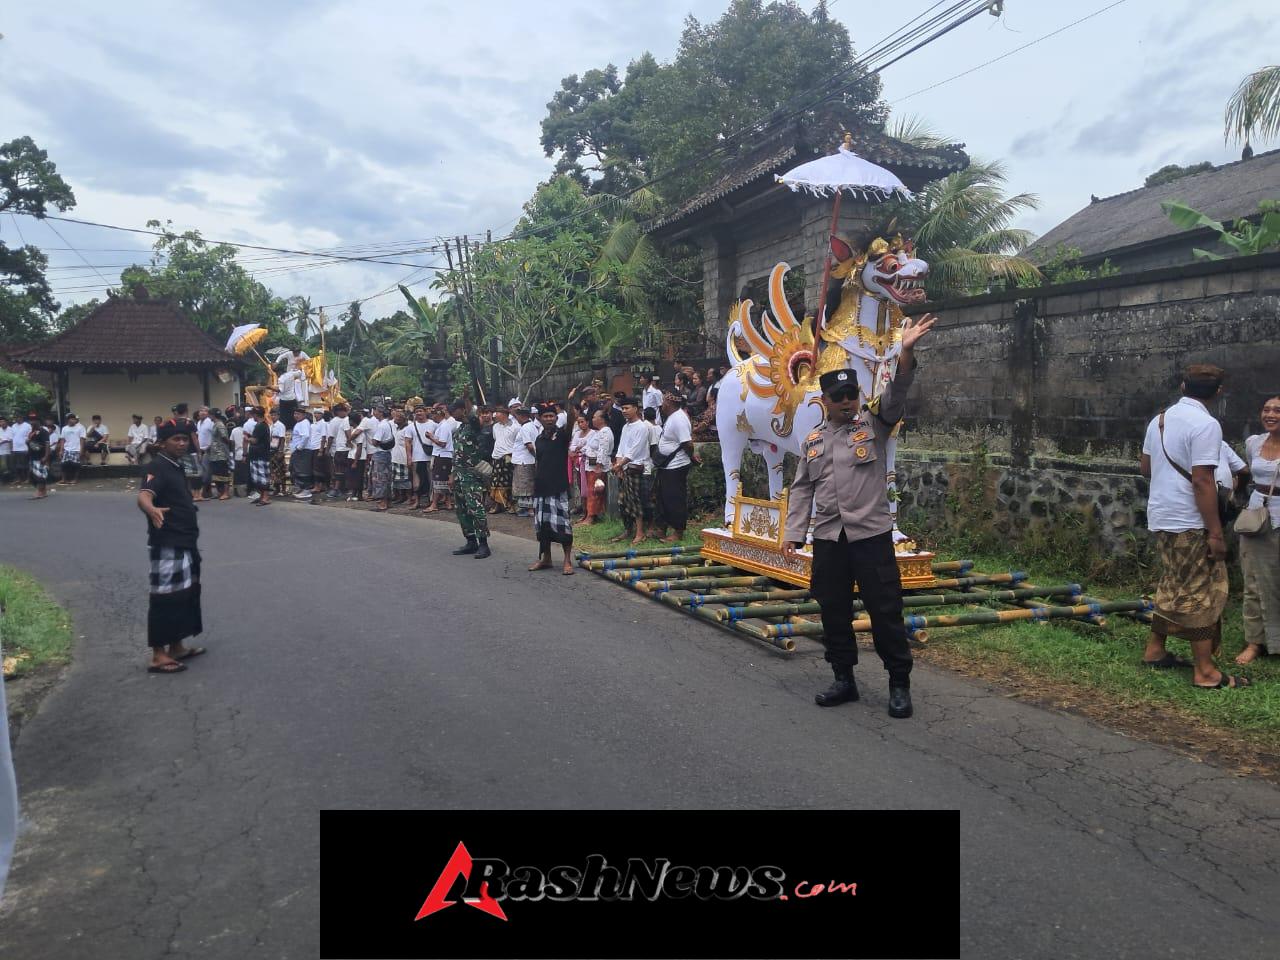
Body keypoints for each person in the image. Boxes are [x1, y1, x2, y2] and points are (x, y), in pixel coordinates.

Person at [783, 314, 935, 718]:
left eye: (852, 394)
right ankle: (843, 679)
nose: (848, 401)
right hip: (830, 540)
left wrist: (905, 353)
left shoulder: (875, 424)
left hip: (871, 537)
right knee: (833, 611)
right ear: (826, 401)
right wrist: (794, 532)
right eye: (840, 397)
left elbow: (897, 391)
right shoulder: (813, 441)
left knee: (885, 612)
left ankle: (898, 683)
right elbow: (802, 489)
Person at [1139, 364, 1246, 688]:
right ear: (1218, 392)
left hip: (1162, 516)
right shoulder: (1206, 424)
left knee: (1173, 582)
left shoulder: (1159, 421)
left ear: (1183, 387)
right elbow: (1202, 481)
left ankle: (1155, 649)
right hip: (1190, 521)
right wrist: (1215, 533)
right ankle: (1205, 671)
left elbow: (1146, 468)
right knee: (1202, 590)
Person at [137, 422, 206, 674]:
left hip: (185, 540)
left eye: (184, 439)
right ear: (162, 442)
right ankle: (158, 655)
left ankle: (176, 646)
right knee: (165, 596)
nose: (182, 443)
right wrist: (151, 509)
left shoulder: (176, 465)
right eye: (176, 439)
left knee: (185, 593)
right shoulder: (156, 467)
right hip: (167, 541)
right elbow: (144, 495)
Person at [1236, 394, 1280, 665]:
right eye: (1266, 409)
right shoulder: (1254, 443)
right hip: (1257, 518)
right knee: (1253, 581)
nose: (1270, 415)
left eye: (1277, 410)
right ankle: (1255, 641)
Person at [528, 403, 575, 575]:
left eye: (552, 416)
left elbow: (571, 423)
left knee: (563, 525)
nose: (549, 419)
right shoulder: (539, 439)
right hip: (541, 487)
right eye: (545, 416)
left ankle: (567, 560)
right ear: (539, 418)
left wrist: (571, 402)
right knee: (543, 526)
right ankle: (546, 559)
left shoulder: (562, 435)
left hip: (558, 487)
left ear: (556, 418)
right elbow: (539, 462)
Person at [449, 399, 492, 559]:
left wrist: (467, 398)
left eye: (454, 411)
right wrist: (452, 475)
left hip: (472, 474)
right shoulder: (459, 429)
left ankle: (483, 544)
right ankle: (471, 541)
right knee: (461, 509)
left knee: (476, 508)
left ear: (463, 410)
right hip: (459, 474)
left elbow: (473, 417)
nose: (452, 415)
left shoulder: (473, 426)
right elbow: (456, 454)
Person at [654, 391, 698, 542]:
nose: (662, 405)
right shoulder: (672, 417)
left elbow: (687, 443)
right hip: (667, 465)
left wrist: (691, 456)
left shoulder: (679, 418)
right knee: (663, 498)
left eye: (663, 401)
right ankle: (662, 529)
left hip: (676, 465)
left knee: (675, 499)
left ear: (669, 403)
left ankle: (678, 532)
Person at [612, 397, 652, 544]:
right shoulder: (625, 427)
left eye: (627, 408)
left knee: (635, 500)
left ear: (636, 408)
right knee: (623, 501)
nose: (624, 411)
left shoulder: (642, 427)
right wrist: (619, 465)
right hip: (624, 468)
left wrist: (620, 465)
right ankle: (628, 530)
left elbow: (634, 451)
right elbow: (621, 448)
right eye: (622, 408)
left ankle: (640, 532)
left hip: (637, 468)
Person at [579, 408, 613, 526]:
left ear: (602, 419)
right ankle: (589, 514)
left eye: (594, 417)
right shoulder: (599, 432)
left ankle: (591, 516)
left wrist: (599, 465)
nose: (592, 419)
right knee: (590, 490)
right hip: (591, 464)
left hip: (597, 466)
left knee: (594, 491)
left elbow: (603, 450)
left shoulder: (605, 432)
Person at [427, 405, 457, 512]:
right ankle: (447, 502)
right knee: (444, 480)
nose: (432, 417)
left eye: (433, 415)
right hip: (443, 455)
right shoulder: (442, 425)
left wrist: (431, 437)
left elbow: (443, 443)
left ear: (438, 415)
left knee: (438, 480)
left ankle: (434, 504)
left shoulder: (444, 426)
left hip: (442, 455)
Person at [488, 405, 518, 514]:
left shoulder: (515, 427)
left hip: (508, 456)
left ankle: (510, 505)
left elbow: (517, 442)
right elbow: (496, 438)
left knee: (508, 481)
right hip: (496, 456)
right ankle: (497, 505)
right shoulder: (495, 427)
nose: (495, 415)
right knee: (495, 482)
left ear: (505, 414)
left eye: (498, 413)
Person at [365, 406, 395, 511]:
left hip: (380, 453)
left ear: (380, 413)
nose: (374, 413)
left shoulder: (381, 426)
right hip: (387, 453)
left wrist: (372, 440)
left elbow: (375, 441)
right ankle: (387, 501)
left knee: (379, 478)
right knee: (386, 477)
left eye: (375, 411)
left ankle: (382, 503)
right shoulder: (388, 424)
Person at [511, 407, 539, 517]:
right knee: (525, 484)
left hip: (525, 460)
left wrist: (537, 458)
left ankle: (529, 509)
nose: (516, 418)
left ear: (522, 416)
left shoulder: (525, 428)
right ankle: (526, 508)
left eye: (517, 416)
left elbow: (529, 446)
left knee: (525, 485)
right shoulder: (531, 426)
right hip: (524, 460)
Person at [406, 405, 435, 509]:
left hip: (430, 457)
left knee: (430, 480)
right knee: (416, 481)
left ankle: (431, 501)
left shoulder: (433, 424)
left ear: (425, 412)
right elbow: (408, 442)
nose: (419, 413)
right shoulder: (411, 426)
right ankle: (417, 501)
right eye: (417, 411)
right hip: (417, 457)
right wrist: (409, 457)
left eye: (421, 411)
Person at [247, 406, 274, 506]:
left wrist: (247, 438)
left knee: (262, 476)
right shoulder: (263, 425)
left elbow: (255, 440)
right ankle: (262, 496)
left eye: (253, 414)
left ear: (256, 415)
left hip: (260, 455)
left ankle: (265, 497)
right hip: (258, 454)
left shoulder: (260, 426)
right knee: (258, 477)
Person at [569, 413, 594, 516]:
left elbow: (589, 447)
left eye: (582, 422)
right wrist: (577, 448)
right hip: (577, 463)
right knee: (579, 485)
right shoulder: (577, 434)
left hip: (587, 462)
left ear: (587, 422)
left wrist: (578, 449)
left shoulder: (593, 433)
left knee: (587, 485)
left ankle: (589, 510)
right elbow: (572, 447)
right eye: (578, 422)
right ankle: (582, 508)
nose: (580, 424)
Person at [326, 403, 350, 499]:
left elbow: (330, 437)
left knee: (337, 469)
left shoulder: (334, 421)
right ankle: (343, 488)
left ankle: (337, 488)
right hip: (344, 448)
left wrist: (327, 449)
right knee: (344, 469)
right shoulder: (348, 420)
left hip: (338, 448)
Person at [207, 409, 232, 500]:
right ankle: (220, 492)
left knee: (223, 473)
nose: (209, 417)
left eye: (210, 415)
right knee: (216, 474)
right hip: (214, 453)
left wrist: (228, 445)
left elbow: (224, 437)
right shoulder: (215, 424)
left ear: (213, 415)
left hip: (221, 453)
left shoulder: (220, 425)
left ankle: (226, 493)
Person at [25, 412, 52, 499]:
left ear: (38, 421)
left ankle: (39, 492)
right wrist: (28, 443)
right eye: (30, 420)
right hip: (32, 456)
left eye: (34, 420)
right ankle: (43, 492)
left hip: (41, 456)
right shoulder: (31, 432)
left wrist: (46, 456)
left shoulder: (43, 431)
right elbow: (30, 444)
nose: (32, 422)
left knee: (39, 475)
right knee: (33, 475)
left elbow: (47, 444)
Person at [290, 408, 313, 499]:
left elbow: (306, 436)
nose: (296, 416)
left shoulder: (304, 423)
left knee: (303, 471)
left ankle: (306, 491)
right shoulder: (299, 423)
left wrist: (299, 447)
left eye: (298, 414)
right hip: (299, 451)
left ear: (304, 415)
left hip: (303, 451)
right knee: (299, 471)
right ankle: (302, 489)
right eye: (295, 413)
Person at [57, 413, 87, 484]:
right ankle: (63, 479)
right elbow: (62, 439)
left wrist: (81, 450)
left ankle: (75, 479)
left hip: (76, 449)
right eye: (71, 419)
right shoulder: (64, 428)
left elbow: (82, 439)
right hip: (67, 449)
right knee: (63, 464)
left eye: (74, 419)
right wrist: (61, 450)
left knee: (76, 465)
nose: (73, 420)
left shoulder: (80, 428)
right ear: (68, 420)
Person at [391, 408, 413, 503]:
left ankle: (409, 497)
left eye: (397, 417)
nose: (395, 419)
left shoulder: (407, 429)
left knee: (406, 479)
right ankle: (400, 496)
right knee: (397, 479)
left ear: (402, 419)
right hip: (395, 456)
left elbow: (410, 444)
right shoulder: (397, 428)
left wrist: (409, 457)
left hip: (403, 457)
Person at [311, 407, 330, 499]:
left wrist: (321, 450)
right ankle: (320, 485)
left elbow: (323, 437)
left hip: (319, 448)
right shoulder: (313, 424)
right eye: (315, 413)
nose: (316, 415)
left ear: (322, 415)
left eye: (318, 413)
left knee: (318, 468)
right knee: (316, 468)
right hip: (313, 447)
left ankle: (318, 486)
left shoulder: (323, 424)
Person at [195, 406, 214, 498]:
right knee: (202, 470)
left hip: (208, 449)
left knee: (206, 471)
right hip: (200, 450)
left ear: (208, 413)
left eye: (204, 411)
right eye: (200, 411)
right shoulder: (198, 423)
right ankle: (207, 491)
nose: (202, 412)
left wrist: (210, 447)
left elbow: (214, 436)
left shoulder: (210, 422)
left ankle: (205, 491)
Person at [9, 412, 32, 485]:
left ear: (22, 418)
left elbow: (31, 435)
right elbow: (11, 438)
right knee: (16, 466)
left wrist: (28, 441)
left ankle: (28, 479)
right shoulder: (13, 426)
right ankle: (19, 479)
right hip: (15, 449)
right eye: (16, 417)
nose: (17, 419)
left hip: (24, 448)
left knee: (25, 465)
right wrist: (11, 448)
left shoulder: (27, 425)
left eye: (18, 417)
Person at [229, 414, 247, 497]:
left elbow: (232, 443)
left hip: (237, 454)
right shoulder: (247, 431)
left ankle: (236, 491)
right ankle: (245, 491)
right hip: (245, 453)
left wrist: (233, 453)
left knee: (237, 474)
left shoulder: (234, 430)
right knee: (245, 473)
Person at [0, 416, 11, 483]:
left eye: (3, 421)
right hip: (1, 451)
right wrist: (4, 440)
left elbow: (10, 439)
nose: (2, 423)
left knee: (7, 466)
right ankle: (4, 480)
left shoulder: (11, 429)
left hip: (9, 451)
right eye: (0, 422)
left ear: (6, 422)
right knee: (3, 466)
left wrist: (3, 440)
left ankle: (7, 479)